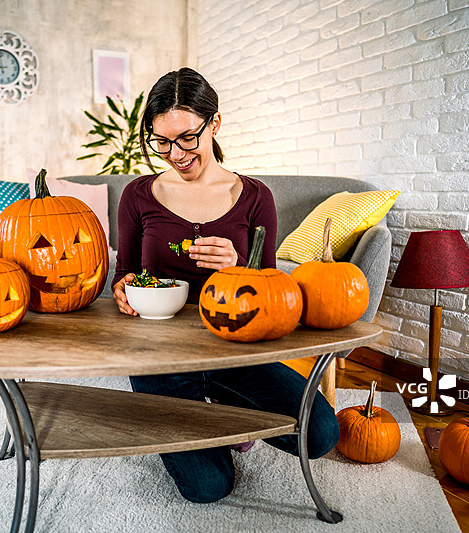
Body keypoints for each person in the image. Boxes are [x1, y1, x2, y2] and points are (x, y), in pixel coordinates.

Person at [111, 67, 339, 504]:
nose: (176, 154)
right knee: (208, 488)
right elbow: (125, 273)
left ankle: (219, 407)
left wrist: (239, 265)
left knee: (321, 434)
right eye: (162, 142)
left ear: (214, 123)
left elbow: (272, 293)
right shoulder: (138, 195)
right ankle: (211, 416)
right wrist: (124, 289)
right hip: (159, 355)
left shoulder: (255, 197)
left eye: (187, 138)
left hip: (234, 348)